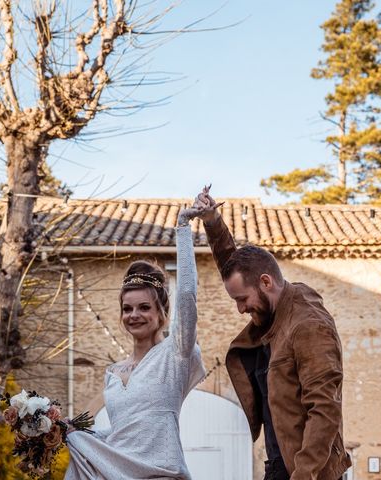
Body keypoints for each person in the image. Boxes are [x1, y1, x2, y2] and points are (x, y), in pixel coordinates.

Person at [194, 186, 352, 480]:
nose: (241, 309)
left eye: (242, 300)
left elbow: (325, 408)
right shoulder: (271, 308)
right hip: (280, 463)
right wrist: (213, 222)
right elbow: (237, 265)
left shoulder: (308, 326)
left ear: (266, 282)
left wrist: (304, 475)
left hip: (307, 471)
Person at [64, 207, 206, 480]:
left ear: (161, 312)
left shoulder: (174, 355)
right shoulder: (113, 374)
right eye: (127, 309)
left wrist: (183, 228)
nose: (134, 315)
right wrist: (76, 434)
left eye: (143, 307)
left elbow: (187, 294)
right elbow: (122, 436)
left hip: (161, 474)